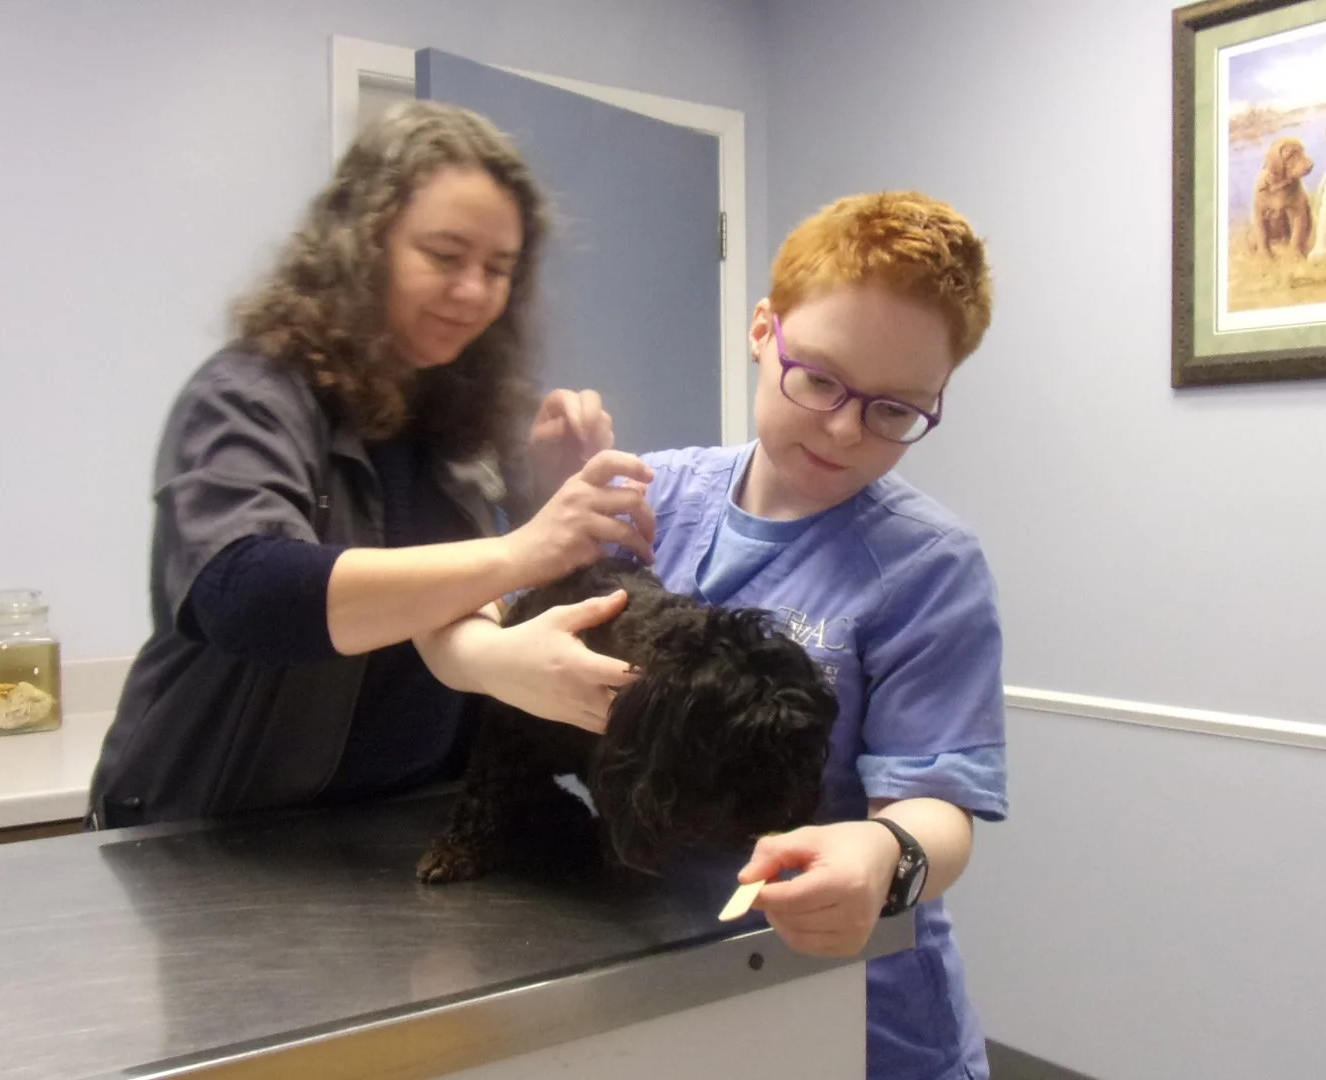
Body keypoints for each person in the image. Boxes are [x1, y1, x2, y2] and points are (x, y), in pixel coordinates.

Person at [86, 100, 654, 828]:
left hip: (390, 828)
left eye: (498, 268)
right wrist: (520, 549)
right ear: (363, 244)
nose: (474, 291)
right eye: (445, 257)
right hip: (214, 832)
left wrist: (542, 493)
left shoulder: (459, 419)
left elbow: (460, 597)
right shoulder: (248, 393)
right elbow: (243, 591)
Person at [650, 191, 1007, 1079]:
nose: (847, 430)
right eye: (821, 380)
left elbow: (941, 805)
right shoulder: (646, 501)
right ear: (764, 330)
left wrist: (887, 853)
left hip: (857, 1015)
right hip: (654, 984)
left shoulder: (929, 568)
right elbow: (471, 603)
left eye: (895, 411)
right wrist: (490, 651)